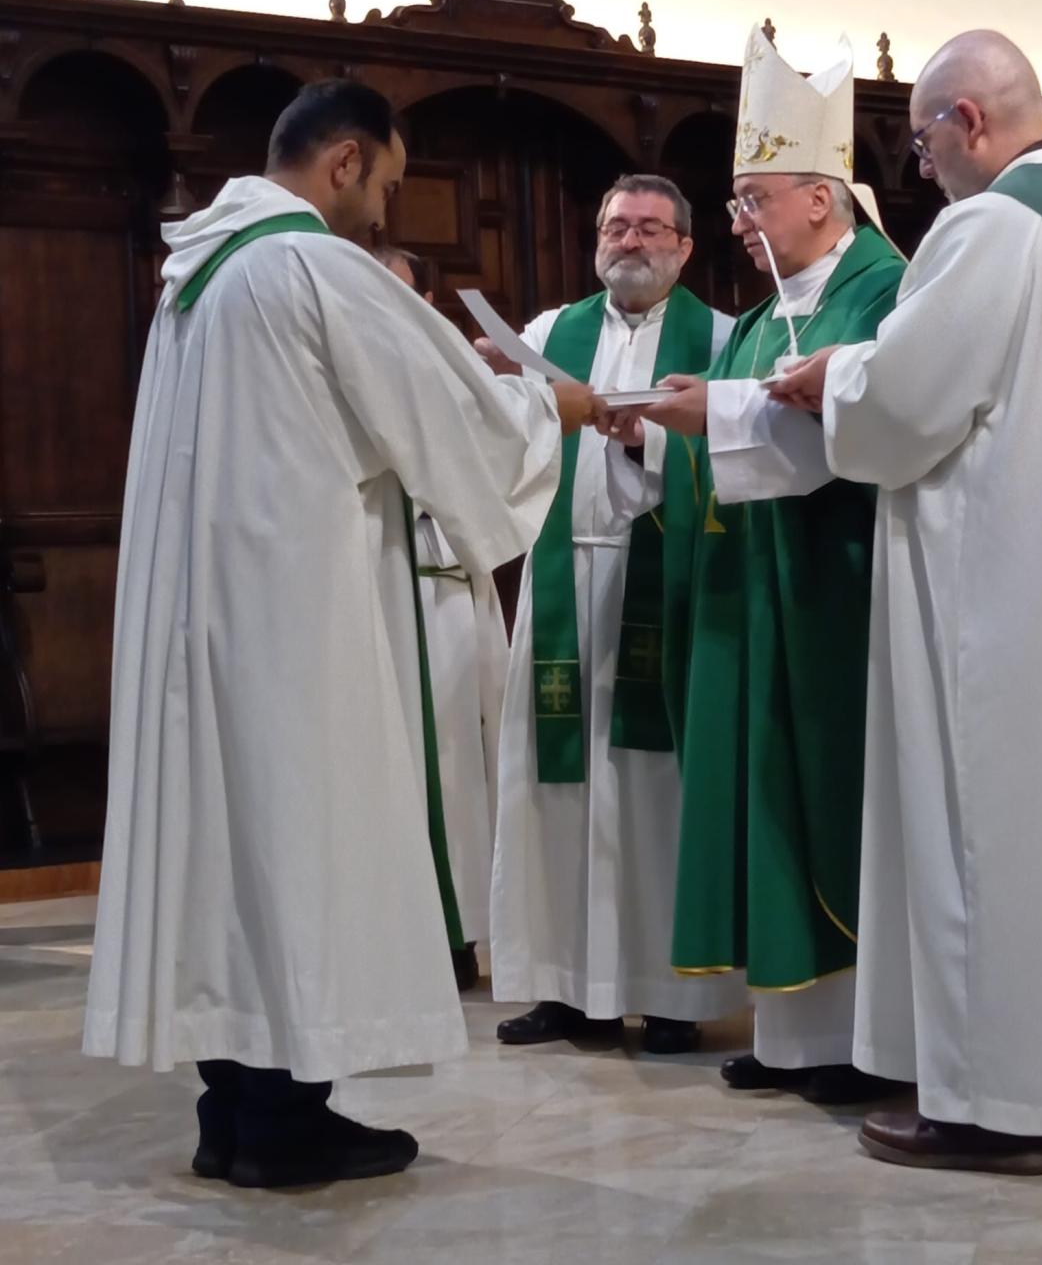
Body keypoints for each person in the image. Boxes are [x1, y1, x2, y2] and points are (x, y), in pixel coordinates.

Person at [82, 80, 596, 1190]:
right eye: (392, 184)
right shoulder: (311, 265)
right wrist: (542, 409)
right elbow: (445, 416)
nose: (384, 214)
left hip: (215, 610)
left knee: (234, 856)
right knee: (298, 847)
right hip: (295, 615)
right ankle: (283, 1121)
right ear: (348, 160)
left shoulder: (199, 271)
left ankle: (235, 1107)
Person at [604, 28, 906, 1103]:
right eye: (733, 203)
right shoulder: (767, 307)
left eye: (753, 199)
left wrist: (712, 412)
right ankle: (792, 1033)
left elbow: (845, 434)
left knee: (827, 797)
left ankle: (857, 1039)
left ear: (821, 199)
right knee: (765, 803)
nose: (737, 222)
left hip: (836, 592)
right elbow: (737, 430)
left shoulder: (878, 287)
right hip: (759, 599)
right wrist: (666, 426)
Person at [770, 30, 1042, 1172]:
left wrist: (831, 373)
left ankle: (995, 1103)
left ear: (970, 121)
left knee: (978, 834)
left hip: (989, 589)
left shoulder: (994, 227)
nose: (919, 164)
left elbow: (906, 401)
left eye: (924, 136)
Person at [479, 174, 743, 1054]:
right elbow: (518, 440)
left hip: (665, 583)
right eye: (615, 226)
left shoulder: (725, 339)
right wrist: (497, 387)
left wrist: (652, 439)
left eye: (648, 228)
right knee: (552, 789)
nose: (629, 241)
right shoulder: (555, 333)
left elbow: (738, 462)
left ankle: (669, 995)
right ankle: (562, 989)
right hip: (564, 584)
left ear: (684, 246)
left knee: (655, 793)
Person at [375, 245, 509, 992]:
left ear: (428, 305)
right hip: (375, 590)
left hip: (442, 585)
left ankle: (456, 931)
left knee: (456, 761)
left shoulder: (455, 372)